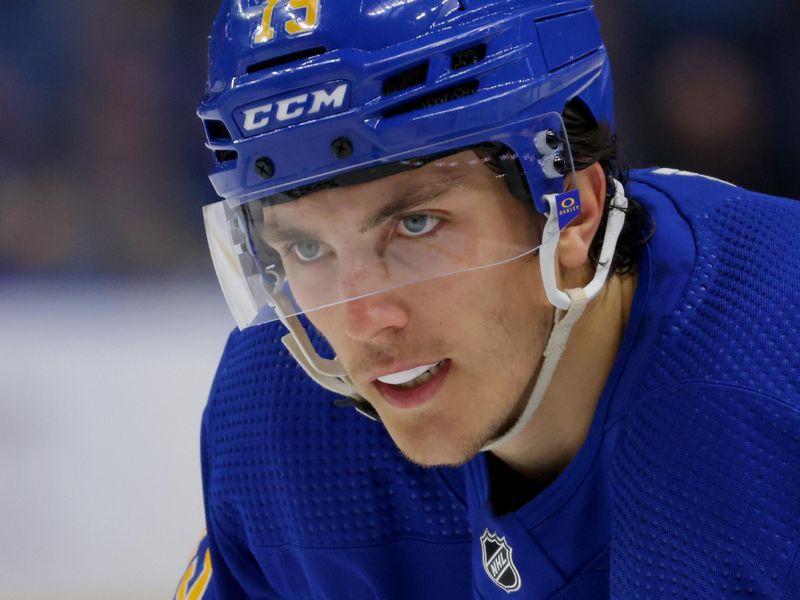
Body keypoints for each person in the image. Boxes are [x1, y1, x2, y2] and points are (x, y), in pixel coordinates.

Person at [175, 1, 800, 598]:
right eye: (308, 250)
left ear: (572, 211)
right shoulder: (278, 422)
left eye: (416, 226)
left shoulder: (765, 376)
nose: (361, 320)